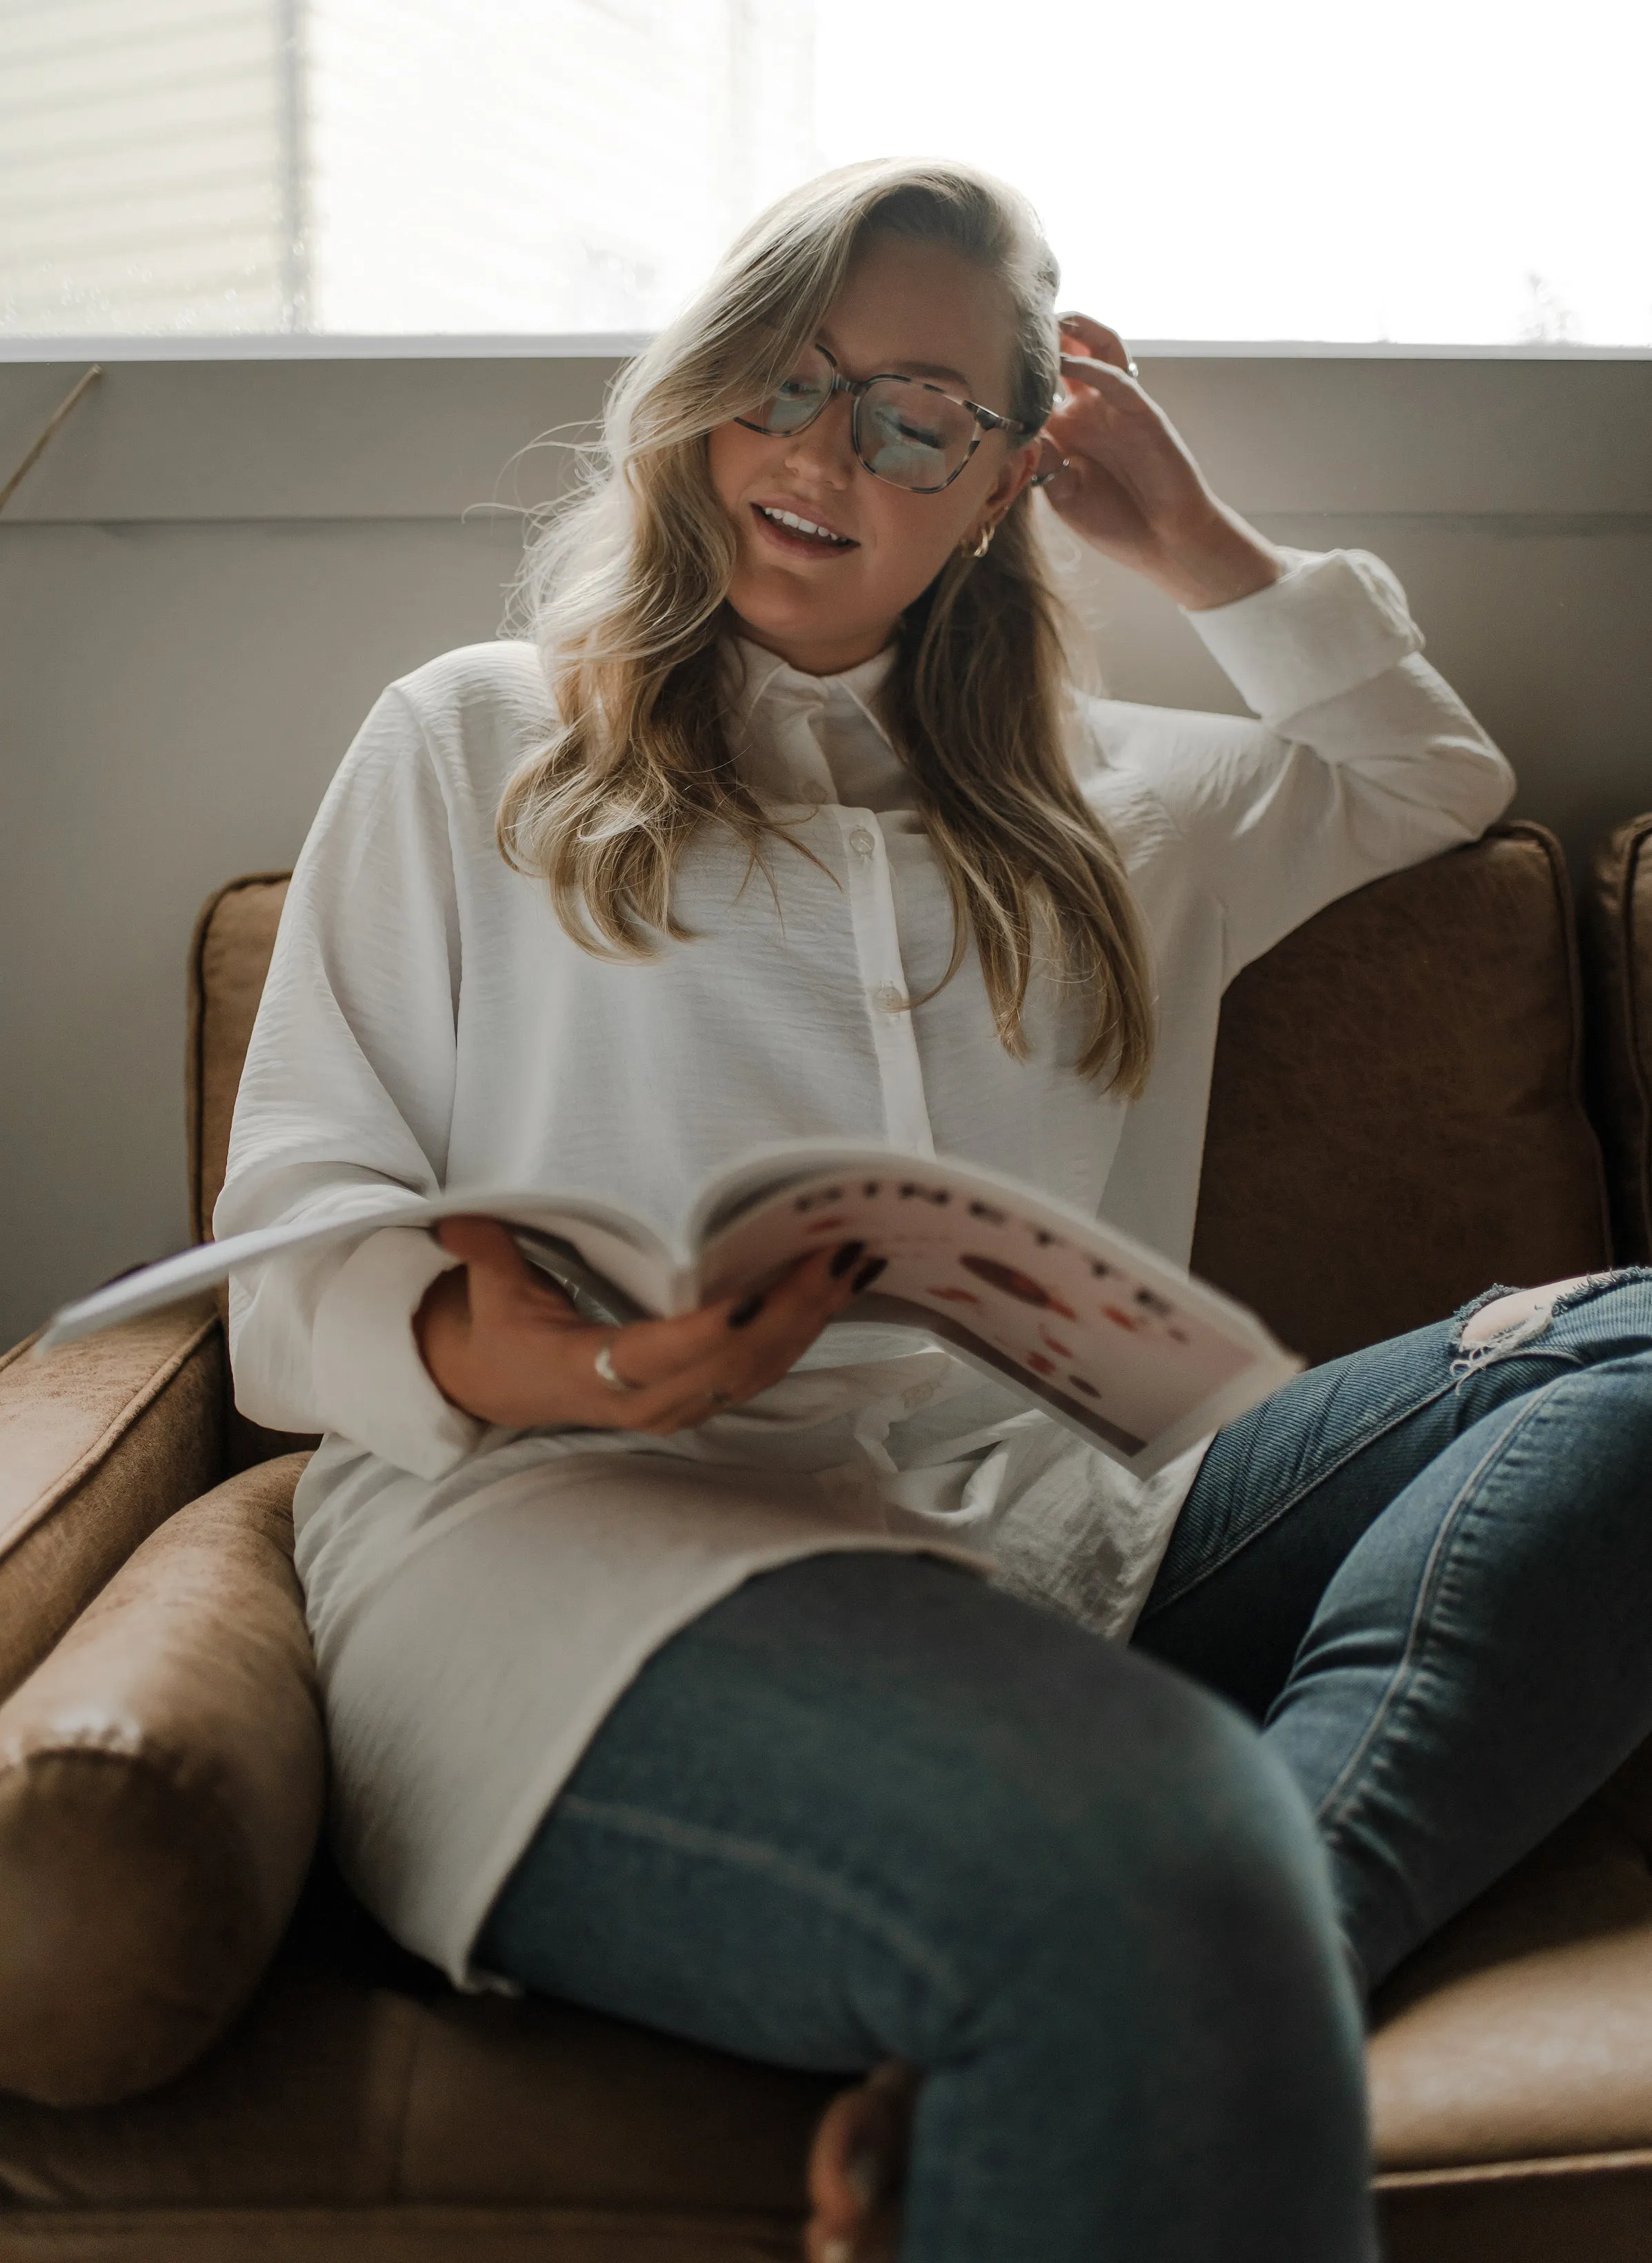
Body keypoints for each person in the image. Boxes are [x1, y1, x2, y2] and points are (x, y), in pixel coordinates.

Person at [217, 159, 1652, 2263]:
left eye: (916, 417)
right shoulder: (473, 742)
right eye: (783, 384)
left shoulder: (1111, 800)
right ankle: (1158, 1951)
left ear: (995, 484)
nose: (823, 456)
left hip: (1073, 1532)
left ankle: (1186, 1975)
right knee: (1145, 1861)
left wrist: (1185, 529)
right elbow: (301, 1233)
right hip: (585, 1547)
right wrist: (574, 1360)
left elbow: (1421, 777)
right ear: (697, 401)